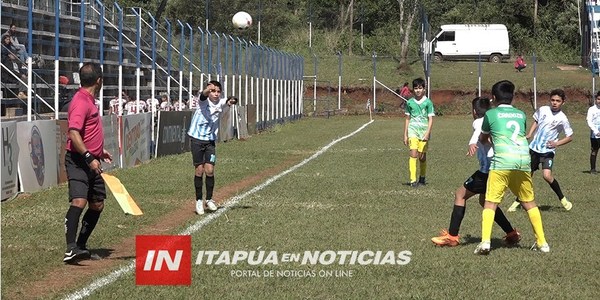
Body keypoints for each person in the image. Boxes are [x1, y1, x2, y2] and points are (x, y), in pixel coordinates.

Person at [431, 97, 521, 247]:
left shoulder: (479, 121)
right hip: (501, 168)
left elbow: (479, 129)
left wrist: (472, 142)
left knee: (460, 194)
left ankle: (452, 237)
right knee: (486, 202)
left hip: (488, 171)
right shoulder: (495, 120)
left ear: (474, 112)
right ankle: (511, 234)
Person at [474, 80, 548, 255]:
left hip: (502, 163)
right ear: (513, 97)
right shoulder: (521, 114)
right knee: (529, 203)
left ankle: (485, 242)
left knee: (490, 202)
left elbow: (484, 138)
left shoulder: (491, 115)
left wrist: (489, 140)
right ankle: (542, 243)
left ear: (493, 98)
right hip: (523, 161)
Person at [63, 62, 113, 263]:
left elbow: (87, 132)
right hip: (78, 161)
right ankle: (70, 248)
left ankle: (81, 246)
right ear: (99, 81)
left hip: (92, 158)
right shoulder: (81, 102)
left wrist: (100, 151)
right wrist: (89, 157)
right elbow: (73, 133)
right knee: (79, 201)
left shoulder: (89, 100)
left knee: (97, 204)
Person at [507, 89, 573, 212]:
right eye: (553, 100)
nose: (554, 103)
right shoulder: (543, 110)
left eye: (558, 101)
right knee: (527, 176)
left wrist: (556, 143)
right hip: (534, 149)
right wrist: (529, 134)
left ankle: (562, 199)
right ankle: (517, 201)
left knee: (547, 176)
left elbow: (570, 137)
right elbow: (536, 121)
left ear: (563, 102)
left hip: (548, 151)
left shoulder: (562, 118)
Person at [187, 81, 237, 215]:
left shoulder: (220, 103)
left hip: (210, 141)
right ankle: (198, 200)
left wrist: (232, 101)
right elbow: (203, 95)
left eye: (218, 91)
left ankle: (209, 199)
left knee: (209, 170)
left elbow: (228, 102)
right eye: (213, 91)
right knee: (199, 170)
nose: (215, 93)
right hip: (197, 139)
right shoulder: (203, 101)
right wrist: (206, 90)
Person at [403, 77, 435, 187]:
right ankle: (412, 180)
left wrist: (427, 133)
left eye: (420, 88)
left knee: (422, 156)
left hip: (423, 132)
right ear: (413, 89)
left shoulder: (428, 102)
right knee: (413, 153)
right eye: (416, 88)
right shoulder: (410, 103)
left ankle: (422, 177)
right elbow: (407, 118)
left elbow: (431, 119)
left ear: (424, 89)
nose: (418, 90)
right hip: (413, 131)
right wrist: (405, 135)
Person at [1, 34, 27, 99]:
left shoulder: (16, 62)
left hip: (16, 75)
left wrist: (22, 74)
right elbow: (11, 71)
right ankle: (21, 93)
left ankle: (24, 93)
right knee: (22, 78)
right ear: (9, 55)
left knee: (26, 77)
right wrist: (20, 75)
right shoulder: (7, 61)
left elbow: (19, 69)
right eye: (13, 54)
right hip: (10, 76)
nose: (14, 56)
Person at [587, 91, 600, 174]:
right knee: (594, 151)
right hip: (595, 135)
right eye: (599, 99)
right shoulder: (592, 109)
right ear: (596, 99)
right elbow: (589, 120)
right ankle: (592, 169)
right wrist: (595, 131)